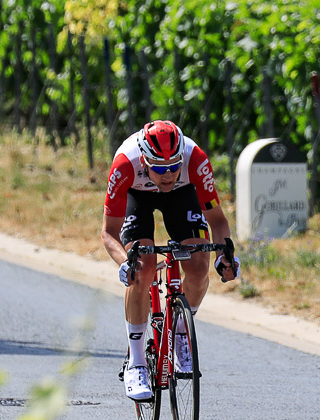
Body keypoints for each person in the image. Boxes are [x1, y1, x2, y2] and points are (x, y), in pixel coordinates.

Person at [101, 120, 239, 401]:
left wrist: (224, 255)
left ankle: (179, 331)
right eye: (161, 169)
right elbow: (108, 232)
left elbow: (218, 222)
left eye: (175, 165)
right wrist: (124, 263)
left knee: (199, 265)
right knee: (143, 268)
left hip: (182, 196)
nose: (169, 174)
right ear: (144, 160)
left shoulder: (195, 160)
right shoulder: (125, 164)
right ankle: (136, 362)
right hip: (136, 197)